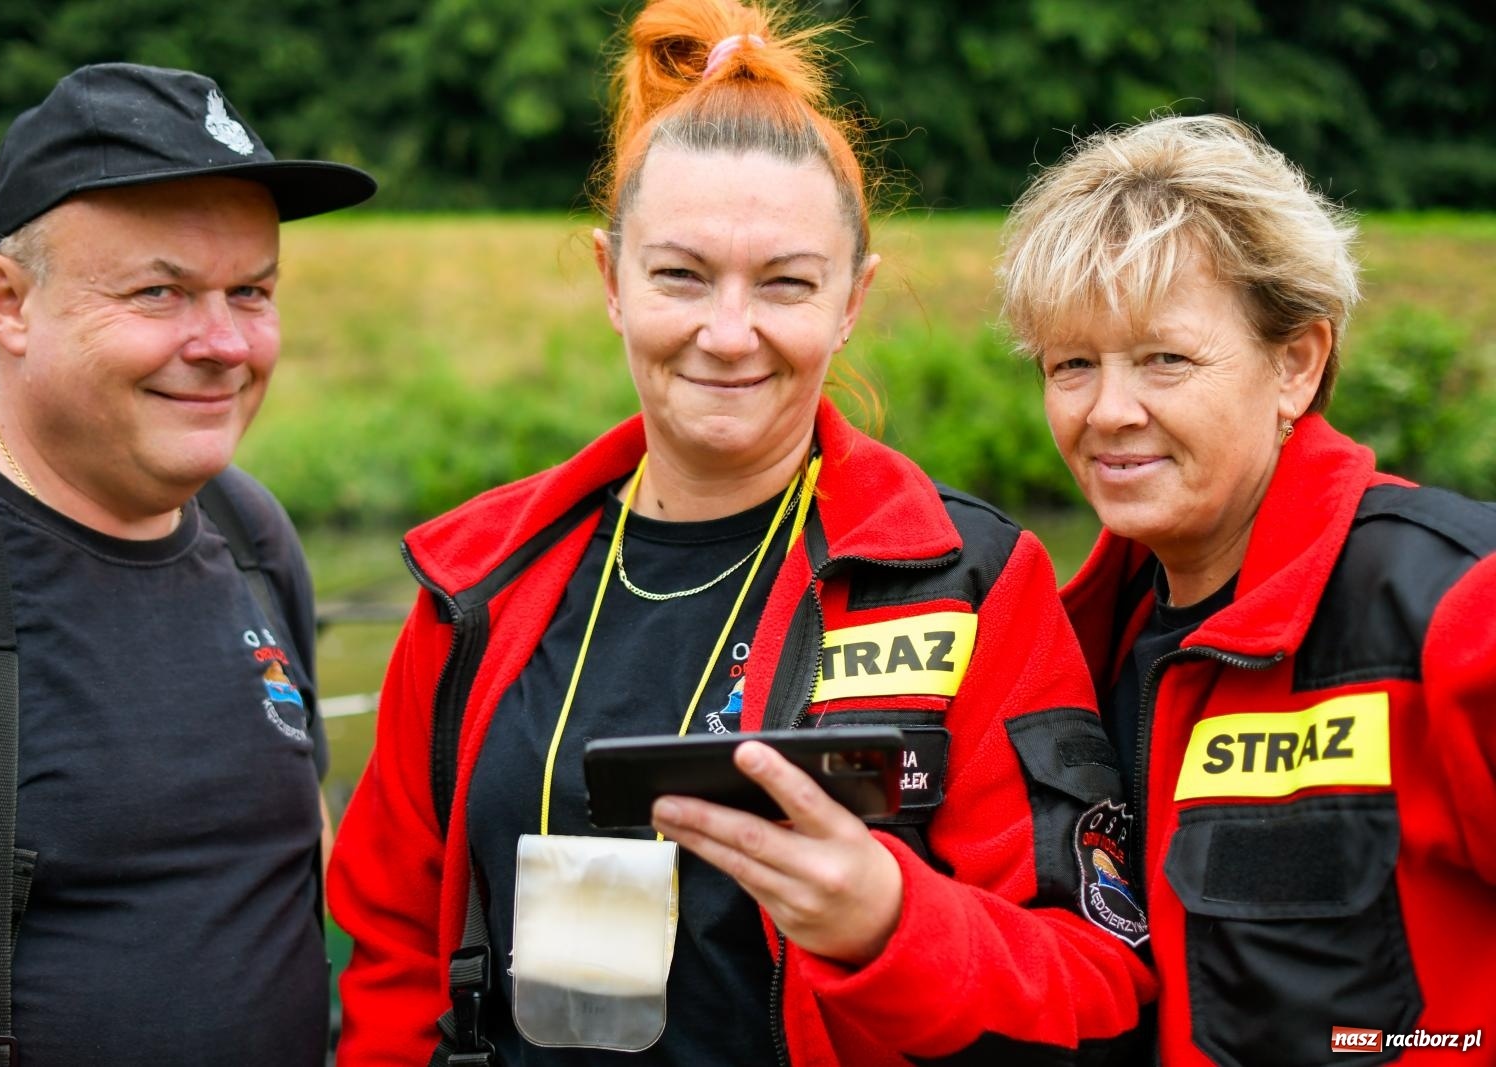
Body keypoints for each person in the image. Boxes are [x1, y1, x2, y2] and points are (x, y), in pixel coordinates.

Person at [329, 1, 1154, 1063]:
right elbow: (393, 960)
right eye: (680, 275)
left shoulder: (966, 582)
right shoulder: (473, 586)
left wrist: (887, 921)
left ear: (850, 301)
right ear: (609, 281)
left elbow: (1095, 981)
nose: (728, 333)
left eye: (784, 283)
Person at [0, 63, 375, 1066]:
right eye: (160, 292)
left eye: (252, 291)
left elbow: (299, 867)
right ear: (8, 302)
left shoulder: (251, 534)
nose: (223, 342)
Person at [999, 113, 1496, 1066]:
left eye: (1165, 359)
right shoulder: (1068, 651)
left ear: (1295, 365)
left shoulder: (1453, 608)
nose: (1109, 411)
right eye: (1072, 365)